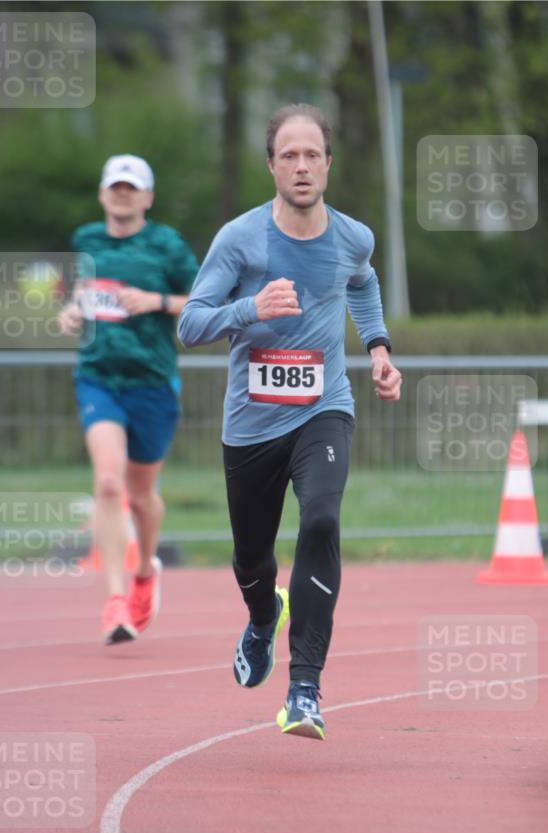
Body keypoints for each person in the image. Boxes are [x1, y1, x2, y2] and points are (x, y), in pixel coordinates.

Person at [179, 105, 401, 740]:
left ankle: (304, 690)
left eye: (312, 155)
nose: (301, 166)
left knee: (323, 518)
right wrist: (249, 307)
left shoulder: (353, 236)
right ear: (271, 166)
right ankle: (259, 616)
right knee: (251, 558)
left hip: (322, 409)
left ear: (329, 163)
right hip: (252, 426)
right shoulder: (240, 239)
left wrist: (378, 348)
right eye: (289, 156)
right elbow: (190, 323)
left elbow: (362, 281)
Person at [57, 154, 199, 644]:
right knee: (109, 484)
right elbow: (79, 292)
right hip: (98, 379)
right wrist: (72, 311)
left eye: (131, 187)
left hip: (153, 384)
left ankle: (145, 574)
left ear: (147, 197)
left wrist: (157, 301)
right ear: (102, 194)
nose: (122, 194)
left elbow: (206, 300)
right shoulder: (85, 241)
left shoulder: (166, 246)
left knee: (140, 497)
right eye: (114, 186)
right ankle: (115, 600)